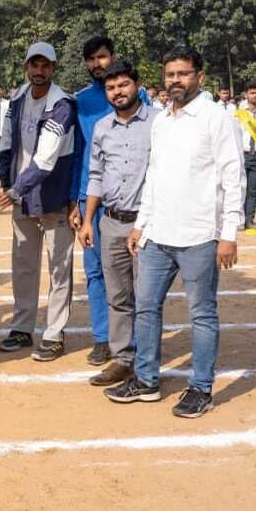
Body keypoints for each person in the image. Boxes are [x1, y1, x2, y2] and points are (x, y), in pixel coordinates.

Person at [106, 45, 244, 419]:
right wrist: (141, 224)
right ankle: (147, 379)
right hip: (158, 236)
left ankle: (201, 388)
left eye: (183, 74)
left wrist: (229, 233)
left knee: (201, 314)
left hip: (200, 235)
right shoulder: (162, 121)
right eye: (170, 75)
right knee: (146, 307)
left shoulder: (217, 118)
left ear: (200, 76)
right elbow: (155, 177)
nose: (175, 81)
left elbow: (234, 178)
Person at [0, 42, 78, 362]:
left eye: (45, 66)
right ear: (26, 67)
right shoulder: (17, 98)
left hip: (52, 195)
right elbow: (7, 142)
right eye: (34, 65)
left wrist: (14, 189)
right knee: (24, 266)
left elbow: (46, 159)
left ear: (54, 69)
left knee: (59, 268)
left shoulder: (63, 105)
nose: (39, 71)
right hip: (21, 195)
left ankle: (54, 334)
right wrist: (7, 179)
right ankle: (22, 328)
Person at [77, 61, 158, 386]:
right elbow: (95, 175)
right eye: (111, 88)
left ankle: (147, 363)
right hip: (109, 222)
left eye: (123, 85)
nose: (117, 92)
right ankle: (123, 359)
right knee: (118, 296)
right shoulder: (102, 128)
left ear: (137, 85)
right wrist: (87, 221)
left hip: (146, 225)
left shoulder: (158, 122)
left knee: (147, 297)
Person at [70, 36, 145, 361]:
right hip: (92, 200)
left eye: (102, 57)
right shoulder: (80, 101)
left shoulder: (137, 99)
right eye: (91, 59)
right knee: (96, 271)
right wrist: (76, 200)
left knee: (138, 274)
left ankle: (139, 339)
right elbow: (77, 154)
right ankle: (104, 337)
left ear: (113, 57)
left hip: (133, 199)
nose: (96, 64)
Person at [233, 84, 256, 234]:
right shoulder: (238, 114)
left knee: (253, 191)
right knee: (239, 190)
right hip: (241, 155)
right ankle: (239, 221)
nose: (254, 95)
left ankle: (250, 220)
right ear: (246, 95)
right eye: (252, 93)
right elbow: (234, 136)